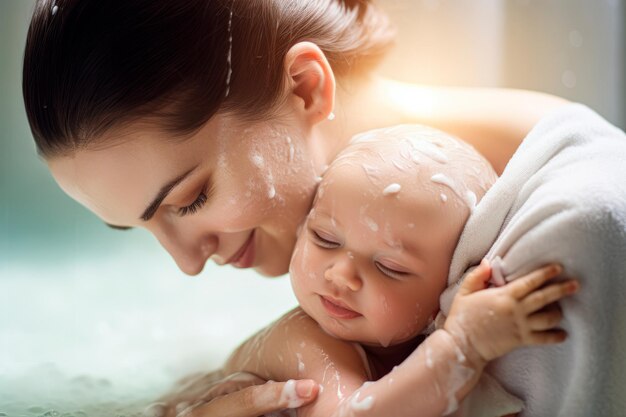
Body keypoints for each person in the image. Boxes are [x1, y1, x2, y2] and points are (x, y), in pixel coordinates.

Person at [22, 0, 570, 415]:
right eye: (134, 229)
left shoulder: (563, 205)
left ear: (306, 88)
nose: (187, 264)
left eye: (192, 199)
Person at [218, 127, 579, 417]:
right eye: (324, 238)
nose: (341, 275)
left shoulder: (417, 338)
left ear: (450, 285)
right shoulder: (303, 338)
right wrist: (462, 344)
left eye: (389, 267)